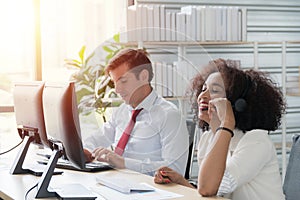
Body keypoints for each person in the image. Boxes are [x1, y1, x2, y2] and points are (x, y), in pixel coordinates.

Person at [154, 58, 286, 200]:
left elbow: (210, 188)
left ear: (237, 103)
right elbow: (212, 192)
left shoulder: (257, 141)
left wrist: (227, 122)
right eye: (203, 89)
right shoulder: (208, 138)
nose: (202, 96)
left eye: (215, 90)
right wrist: (181, 182)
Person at [83, 48, 189, 176]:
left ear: (144, 76)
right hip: (118, 184)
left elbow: (175, 168)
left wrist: (124, 163)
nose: (117, 89)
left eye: (123, 81)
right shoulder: (122, 111)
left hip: (150, 191)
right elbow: (96, 139)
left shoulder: (169, 115)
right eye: (114, 82)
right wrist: (85, 152)